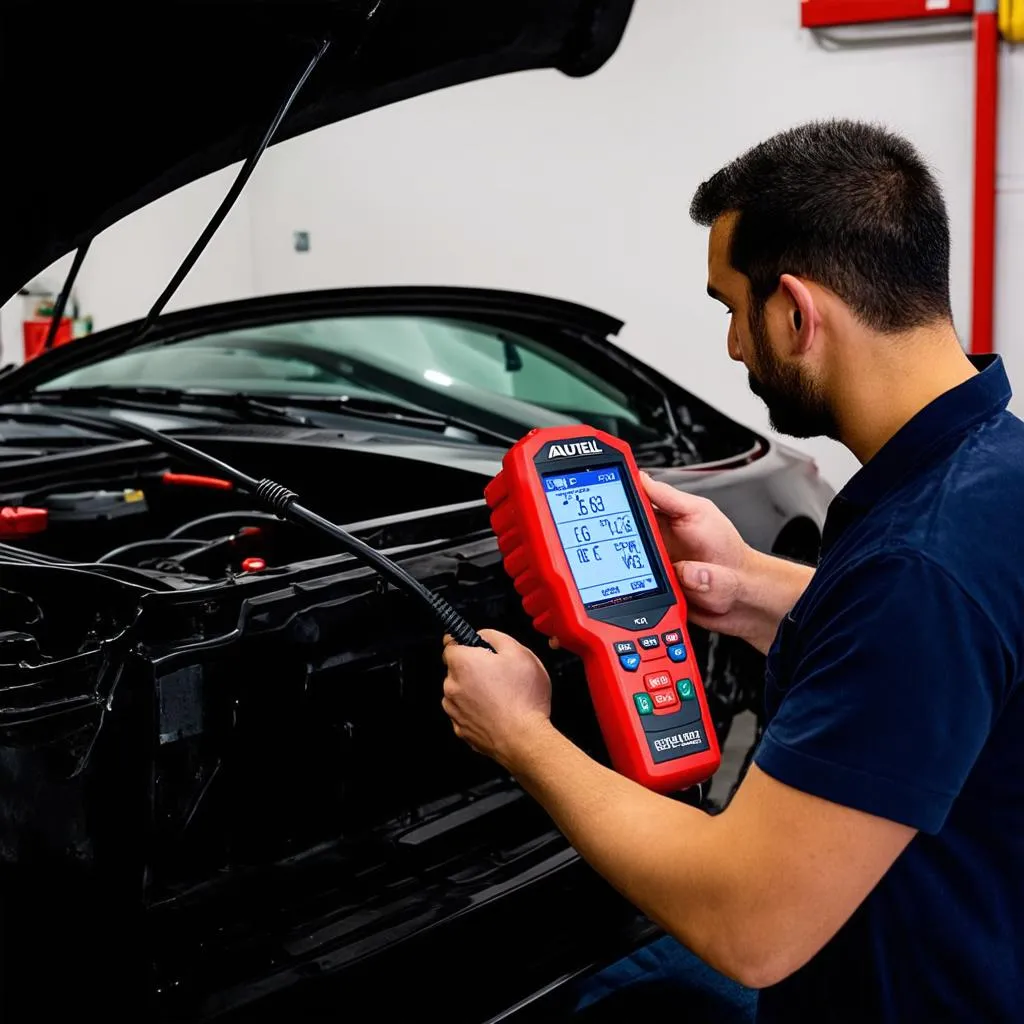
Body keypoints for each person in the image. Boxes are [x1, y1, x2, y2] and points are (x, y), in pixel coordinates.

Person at [439, 118, 1024, 1022]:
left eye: (730, 308)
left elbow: (749, 922)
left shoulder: (919, 567)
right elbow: (959, 655)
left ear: (796, 311)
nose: (732, 347)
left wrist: (521, 735)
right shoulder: (994, 471)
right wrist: (750, 584)